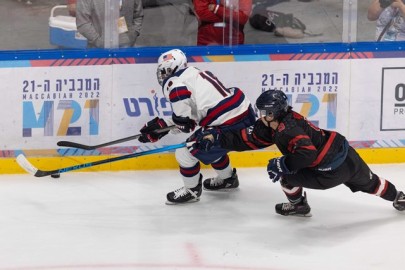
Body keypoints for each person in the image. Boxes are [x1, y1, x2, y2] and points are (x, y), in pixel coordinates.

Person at [196, 90, 405, 216]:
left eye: (262, 112)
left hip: (328, 172)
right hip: (346, 155)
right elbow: (246, 138)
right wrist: (217, 139)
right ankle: (398, 197)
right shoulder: (278, 123)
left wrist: (282, 164)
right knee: (372, 183)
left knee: (286, 177)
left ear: (272, 113)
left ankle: (298, 207)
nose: (259, 116)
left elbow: (308, 155)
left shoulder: (287, 130)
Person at [138, 49, 256, 204]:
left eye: (164, 70)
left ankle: (191, 191)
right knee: (210, 144)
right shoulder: (195, 73)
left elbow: (185, 124)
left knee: (184, 153)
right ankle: (228, 179)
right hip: (244, 114)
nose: (162, 75)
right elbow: (195, 115)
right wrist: (162, 126)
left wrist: (161, 130)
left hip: (227, 123)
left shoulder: (174, 83)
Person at [76, 0, 143, 48]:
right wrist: (98, 41)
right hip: (98, 52)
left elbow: (138, 15)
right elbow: (82, 22)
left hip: (126, 49)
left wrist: (132, 35)